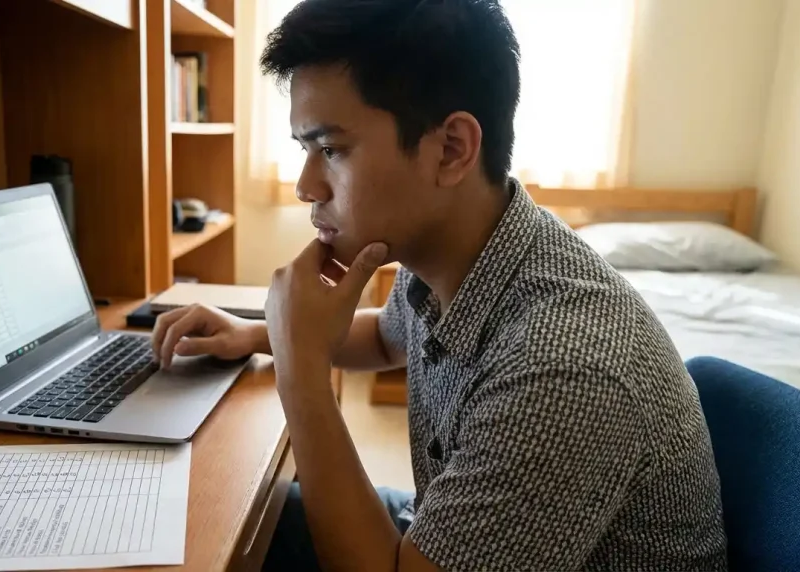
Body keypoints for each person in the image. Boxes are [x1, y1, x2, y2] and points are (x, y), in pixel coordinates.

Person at [151, 0, 727, 569]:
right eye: (306, 150)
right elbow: (386, 339)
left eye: (331, 150)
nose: (306, 187)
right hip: (437, 529)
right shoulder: (454, 250)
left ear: (451, 150)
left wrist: (302, 377)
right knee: (216, 519)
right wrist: (260, 334)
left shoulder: (563, 367)